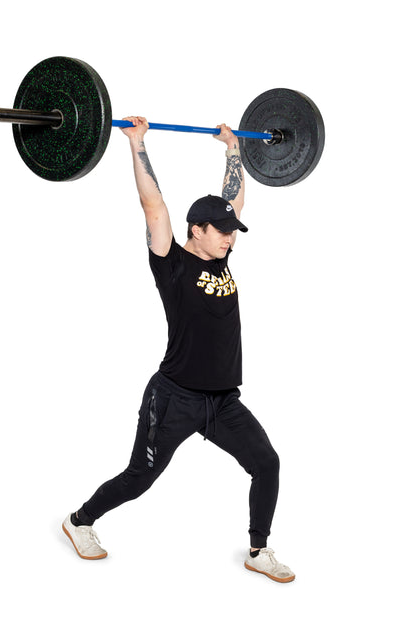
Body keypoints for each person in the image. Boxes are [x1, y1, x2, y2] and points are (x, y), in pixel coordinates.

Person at [62, 117, 294, 583]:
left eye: (232, 232)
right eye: (222, 231)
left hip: (222, 400)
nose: (230, 238)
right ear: (197, 230)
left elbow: (234, 199)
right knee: (139, 477)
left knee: (266, 463)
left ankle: (258, 549)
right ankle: (79, 521)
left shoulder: (221, 250)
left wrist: (233, 150)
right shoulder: (173, 265)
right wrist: (137, 143)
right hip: (175, 398)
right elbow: (153, 206)